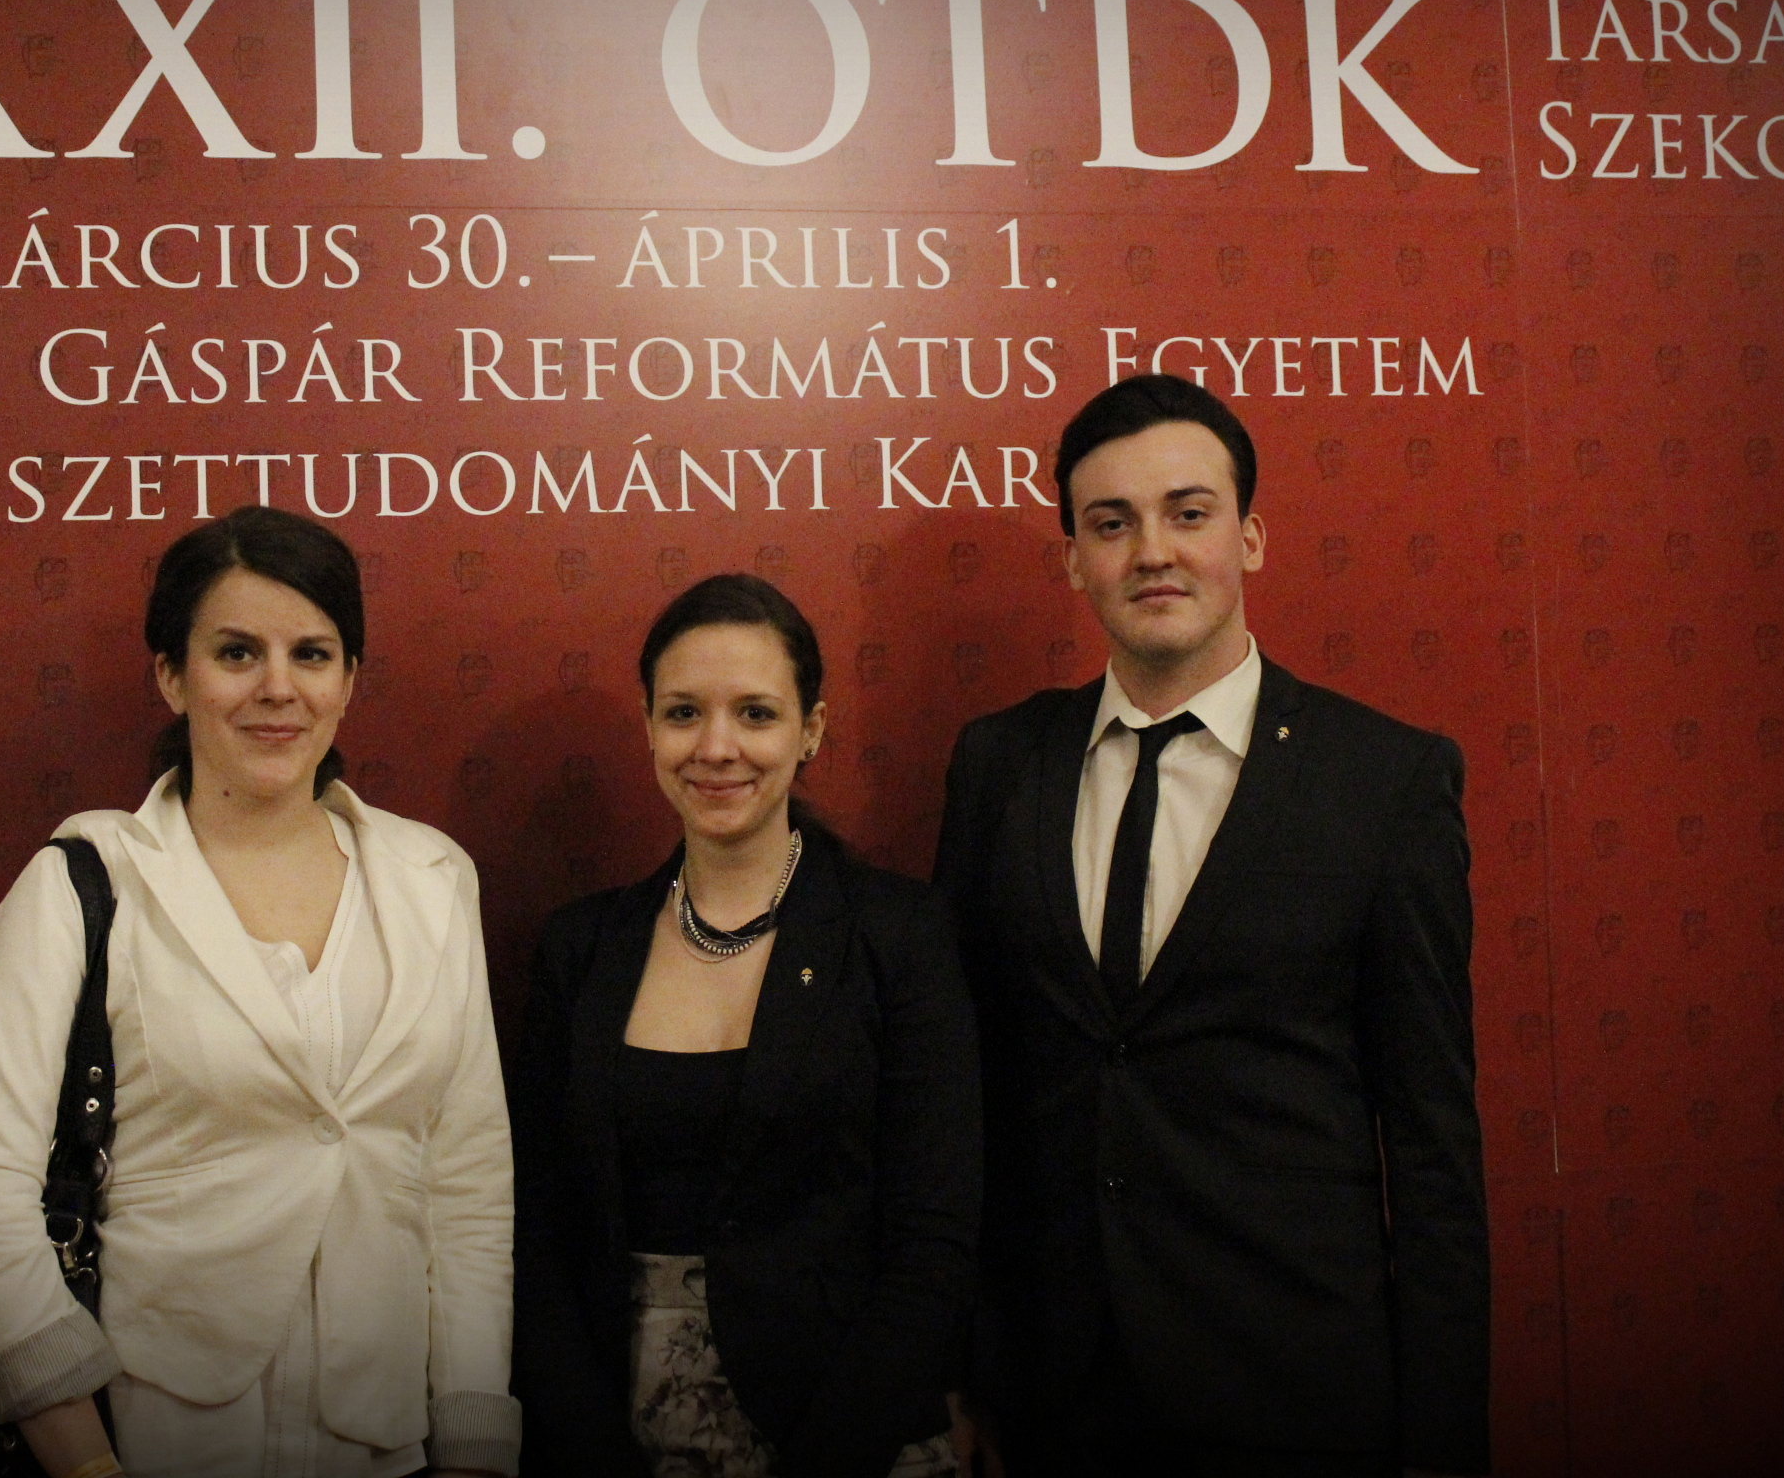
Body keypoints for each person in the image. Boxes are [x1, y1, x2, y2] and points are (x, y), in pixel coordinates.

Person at [935, 375, 1490, 1478]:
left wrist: (1442, 1439)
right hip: (1050, 1399)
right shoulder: (998, 766)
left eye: (1188, 513)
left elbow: (1433, 1139)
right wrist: (958, 1367)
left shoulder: (1384, 781)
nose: (1153, 552)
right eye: (1111, 524)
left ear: (1251, 537)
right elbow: (958, 1089)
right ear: (1073, 560)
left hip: (1294, 1393)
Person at [0, 506, 518, 1478]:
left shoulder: (434, 880)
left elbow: (468, 1190)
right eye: (237, 652)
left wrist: (473, 1444)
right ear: (172, 675)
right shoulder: (85, 883)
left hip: (388, 1443)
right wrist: (85, 1464)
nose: (277, 687)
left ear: (350, 679)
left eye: (311, 654)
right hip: (157, 1434)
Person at [511, 574, 983, 1478]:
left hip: (852, 1434)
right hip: (611, 1433)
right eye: (684, 713)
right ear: (649, 726)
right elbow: (536, 1231)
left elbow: (934, 1241)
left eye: (756, 714)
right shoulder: (581, 947)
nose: (716, 747)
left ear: (811, 729)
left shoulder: (900, 937)